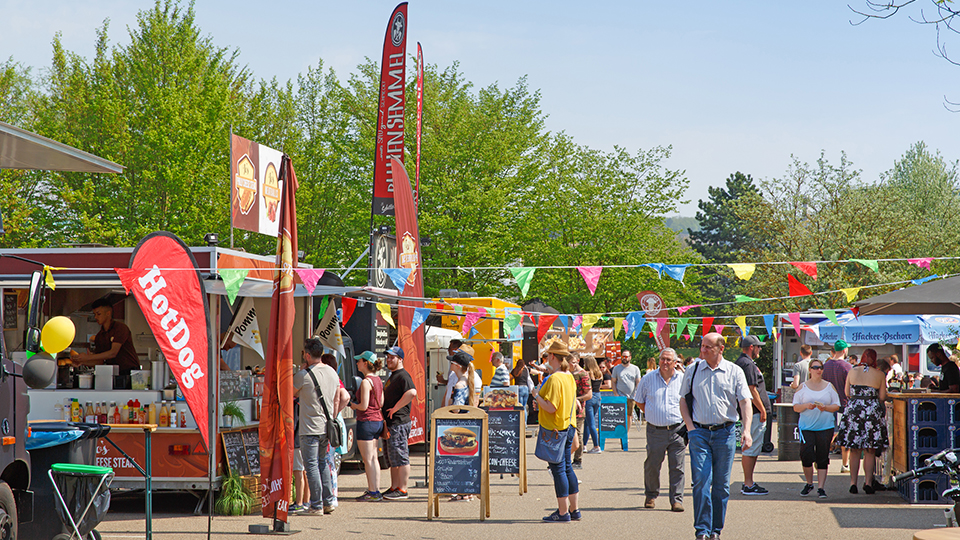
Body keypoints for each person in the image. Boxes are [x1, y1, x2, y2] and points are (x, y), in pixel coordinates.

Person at [679, 332, 753, 540]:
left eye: (708, 347)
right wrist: (690, 428)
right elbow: (683, 400)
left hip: (725, 433)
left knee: (721, 485)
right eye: (702, 346)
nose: (702, 350)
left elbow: (745, 402)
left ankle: (715, 530)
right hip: (699, 433)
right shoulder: (692, 369)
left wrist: (746, 430)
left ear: (721, 349)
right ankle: (702, 530)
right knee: (701, 481)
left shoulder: (734, 371)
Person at [293, 339, 345, 515]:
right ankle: (328, 501)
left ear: (307, 355)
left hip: (309, 428)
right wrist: (332, 416)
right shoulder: (332, 372)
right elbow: (337, 398)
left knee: (311, 466)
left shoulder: (303, 375)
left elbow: (288, 393)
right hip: (326, 427)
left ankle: (316, 505)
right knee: (323, 463)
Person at [634, 347, 685, 512]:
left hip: (678, 430)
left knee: (677, 467)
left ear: (675, 363)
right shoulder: (648, 378)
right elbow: (639, 401)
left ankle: (676, 500)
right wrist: (652, 413)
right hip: (655, 430)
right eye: (662, 358)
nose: (665, 362)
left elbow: (689, 401)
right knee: (652, 465)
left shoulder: (682, 379)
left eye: (668, 360)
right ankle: (651, 495)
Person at [537, 341, 580, 522]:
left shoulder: (555, 378)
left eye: (548, 355)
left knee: (559, 469)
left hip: (556, 428)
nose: (546, 358)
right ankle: (574, 510)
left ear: (553, 356)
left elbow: (551, 407)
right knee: (567, 467)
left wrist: (536, 396)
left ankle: (563, 512)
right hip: (568, 425)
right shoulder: (568, 376)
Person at [835, 348, 888, 494]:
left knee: (854, 449)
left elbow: (847, 393)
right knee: (870, 450)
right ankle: (868, 482)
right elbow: (882, 397)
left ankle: (853, 483)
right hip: (871, 412)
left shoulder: (852, 371)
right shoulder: (879, 374)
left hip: (854, 411)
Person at [792, 358, 841, 499]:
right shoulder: (803, 387)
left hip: (825, 426)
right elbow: (796, 407)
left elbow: (836, 406)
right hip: (807, 427)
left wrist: (825, 407)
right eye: (815, 367)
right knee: (806, 455)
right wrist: (806, 406)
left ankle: (821, 487)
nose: (818, 370)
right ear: (810, 370)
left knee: (822, 456)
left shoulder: (829, 386)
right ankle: (809, 483)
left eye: (820, 367)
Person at [735, 335, 771, 496]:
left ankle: (748, 483)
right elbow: (751, 388)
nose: (760, 349)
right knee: (750, 448)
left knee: (753, 447)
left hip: (752, 412)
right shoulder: (747, 364)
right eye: (758, 346)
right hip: (754, 412)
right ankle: (748, 484)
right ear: (751, 347)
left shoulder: (744, 362)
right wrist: (762, 409)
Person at [71, 298, 141, 378]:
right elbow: (99, 362)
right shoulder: (100, 336)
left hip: (130, 372)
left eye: (98, 314)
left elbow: (113, 353)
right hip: (112, 373)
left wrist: (87, 357)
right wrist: (82, 362)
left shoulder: (120, 328)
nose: (96, 317)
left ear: (108, 313)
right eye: (94, 314)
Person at [381, 345, 417, 500]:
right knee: (393, 458)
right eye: (388, 357)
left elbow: (412, 392)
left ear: (400, 359)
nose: (389, 360)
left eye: (392, 357)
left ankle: (403, 489)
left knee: (401, 456)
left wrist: (395, 408)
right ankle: (394, 487)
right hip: (392, 423)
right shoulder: (393, 375)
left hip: (399, 422)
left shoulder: (403, 375)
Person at [349, 351, 385, 502]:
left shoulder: (365, 382)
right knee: (374, 458)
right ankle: (375, 489)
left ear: (365, 363)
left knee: (367, 459)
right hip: (377, 421)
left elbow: (363, 406)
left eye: (359, 361)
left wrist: (353, 405)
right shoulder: (378, 380)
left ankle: (372, 491)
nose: (357, 363)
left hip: (366, 421)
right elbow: (381, 403)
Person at [822, 339, 852, 473]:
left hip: (827, 404)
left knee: (827, 433)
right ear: (845, 350)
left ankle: (821, 458)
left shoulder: (825, 366)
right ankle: (845, 464)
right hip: (843, 404)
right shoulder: (847, 367)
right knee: (845, 434)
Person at [570, 353, 592, 469]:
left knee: (577, 435)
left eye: (573, 362)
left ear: (578, 361)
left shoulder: (583, 374)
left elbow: (589, 395)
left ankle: (578, 460)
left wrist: (576, 400)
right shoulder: (568, 373)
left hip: (578, 410)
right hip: (567, 409)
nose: (571, 364)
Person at [612, 349, 642, 430]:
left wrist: (637, 392)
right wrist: (615, 393)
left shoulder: (635, 368)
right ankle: (620, 432)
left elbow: (638, 382)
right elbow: (613, 381)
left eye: (626, 356)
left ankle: (626, 433)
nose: (624, 358)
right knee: (620, 415)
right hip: (620, 395)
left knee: (629, 416)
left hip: (631, 396)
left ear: (630, 357)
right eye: (623, 356)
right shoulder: (616, 368)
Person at [582, 356, 604, 454]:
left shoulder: (587, 373)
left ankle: (596, 446)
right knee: (587, 422)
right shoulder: (599, 373)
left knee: (591, 424)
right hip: (598, 396)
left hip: (589, 397)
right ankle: (584, 445)